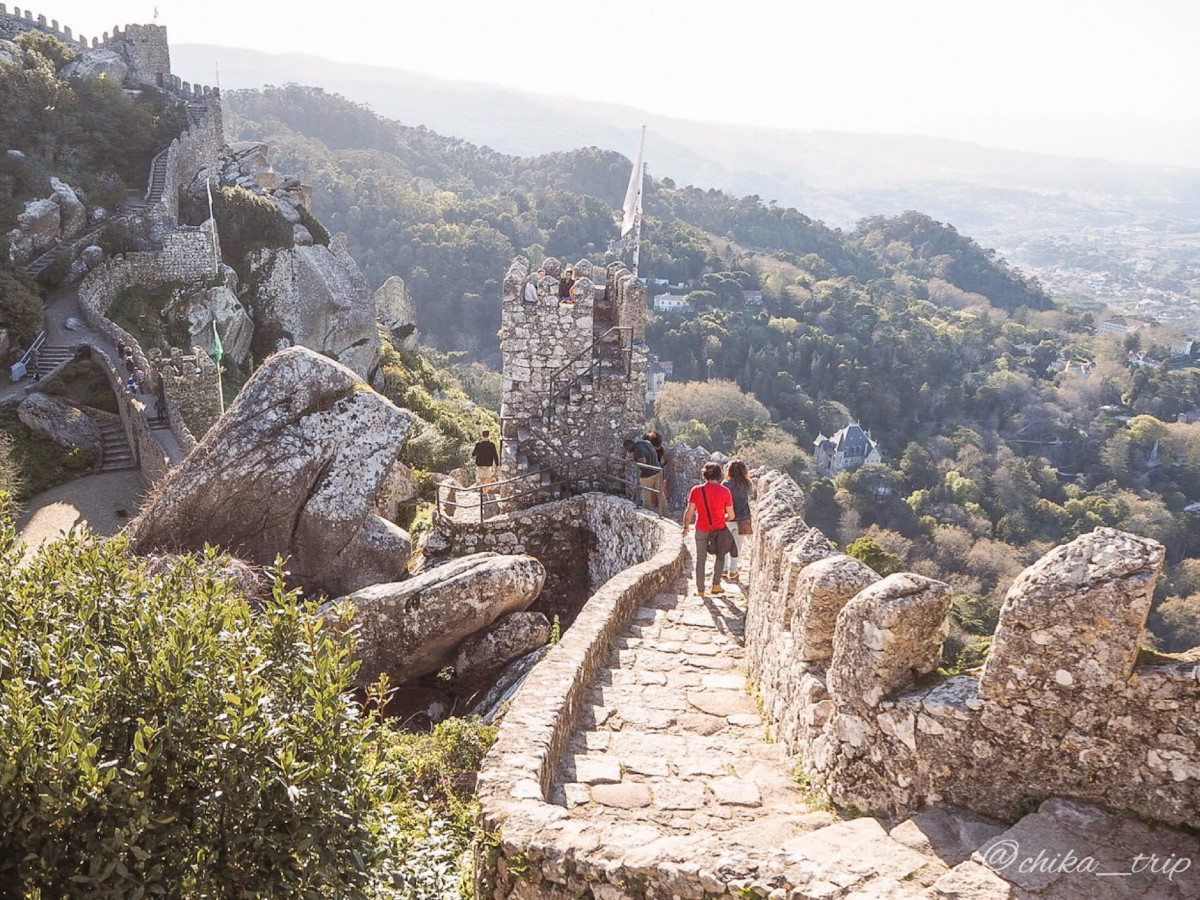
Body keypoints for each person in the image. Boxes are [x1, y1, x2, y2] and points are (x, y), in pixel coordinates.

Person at [682, 462, 735, 597]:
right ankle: (716, 585)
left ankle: (700, 590)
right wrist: (722, 518)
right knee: (720, 556)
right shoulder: (725, 492)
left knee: (701, 558)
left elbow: (689, 512)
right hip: (719, 529)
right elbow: (731, 515)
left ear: (704, 475)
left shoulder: (696, 490)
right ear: (719, 475)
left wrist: (686, 526)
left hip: (701, 528)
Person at [722, 459, 752, 581]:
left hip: (727, 518)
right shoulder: (748, 484)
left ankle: (723, 569)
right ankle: (733, 571)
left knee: (723, 545)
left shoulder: (725, 484)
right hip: (743, 519)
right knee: (737, 547)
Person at [623, 435, 662, 512]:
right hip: (657, 469)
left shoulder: (637, 451)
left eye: (627, 448)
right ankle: (665, 513)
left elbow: (643, 461)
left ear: (630, 445)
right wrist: (634, 459)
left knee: (646, 493)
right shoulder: (644, 442)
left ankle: (647, 513)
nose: (627, 451)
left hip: (647, 474)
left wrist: (635, 461)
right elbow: (648, 454)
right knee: (660, 493)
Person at [644, 430, 669, 515]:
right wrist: (661, 466)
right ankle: (665, 512)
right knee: (660, 492)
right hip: (659, 471)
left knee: (646, 491)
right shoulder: (661, 449)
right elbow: (665, 460)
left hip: (648, 472)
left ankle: (647, 511)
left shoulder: (648, 450)